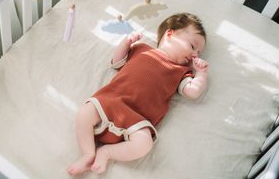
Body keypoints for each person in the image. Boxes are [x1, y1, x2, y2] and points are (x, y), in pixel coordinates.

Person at [67, 12, 209, 175]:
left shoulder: (183, 72)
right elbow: (116, 62)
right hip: (111, 101)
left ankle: (107, 152)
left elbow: (193, 92)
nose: (195, 55)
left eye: (198, 53)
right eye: (192, 46)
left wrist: (201, 74)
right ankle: (87, 153)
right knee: (85, 112)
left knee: (145, 144)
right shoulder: (141, 49)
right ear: (170, 34)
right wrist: (126, 43)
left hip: (137, 119)